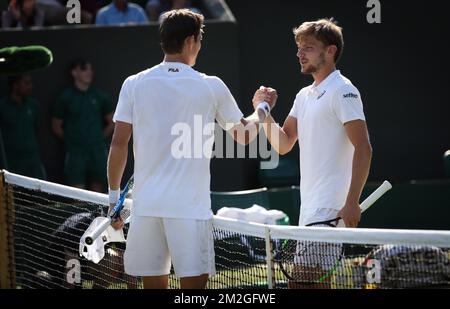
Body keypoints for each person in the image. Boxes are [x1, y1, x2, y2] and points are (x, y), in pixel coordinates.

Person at [107, 9, 276, 289]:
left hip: (146, 207)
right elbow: (245, 135)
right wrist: (262, 108)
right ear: (190, 41)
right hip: (189, 209)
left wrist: (114, 200)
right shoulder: (211, 86)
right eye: (199, 39)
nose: (200, 45)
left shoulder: (133, 84)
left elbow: (118, 142)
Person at [258, 18, 372, 288]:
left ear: (330, 51)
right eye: (299, 47)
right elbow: (284, 143)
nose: (300, 53)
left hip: (330, 207)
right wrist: (264, 112)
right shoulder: (303, 95)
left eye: (308, 47)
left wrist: (352, 201)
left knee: (302, 284)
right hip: (310, 207)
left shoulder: (344, 90)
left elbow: (363, 148)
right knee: (314, 285)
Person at [51, 59, 114, 192]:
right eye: (84, 68)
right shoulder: (65, 97)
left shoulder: (99, 96)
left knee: (97, 190)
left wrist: (99, 139)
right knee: (77, 192)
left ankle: (95, 214)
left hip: (97, 151)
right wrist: (72, 141)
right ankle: (79, 214)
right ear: (74, 72)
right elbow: (56, 126)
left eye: (90, 69)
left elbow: (112, 121)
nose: (89, 72)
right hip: (75, 153)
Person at [0, 74, 46, 179]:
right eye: (26, 83)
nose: (30, 86)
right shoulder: (2, 106)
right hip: (11, 162)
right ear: (15, 85)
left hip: (32, 160)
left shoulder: (33, 105)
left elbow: (37, 130)